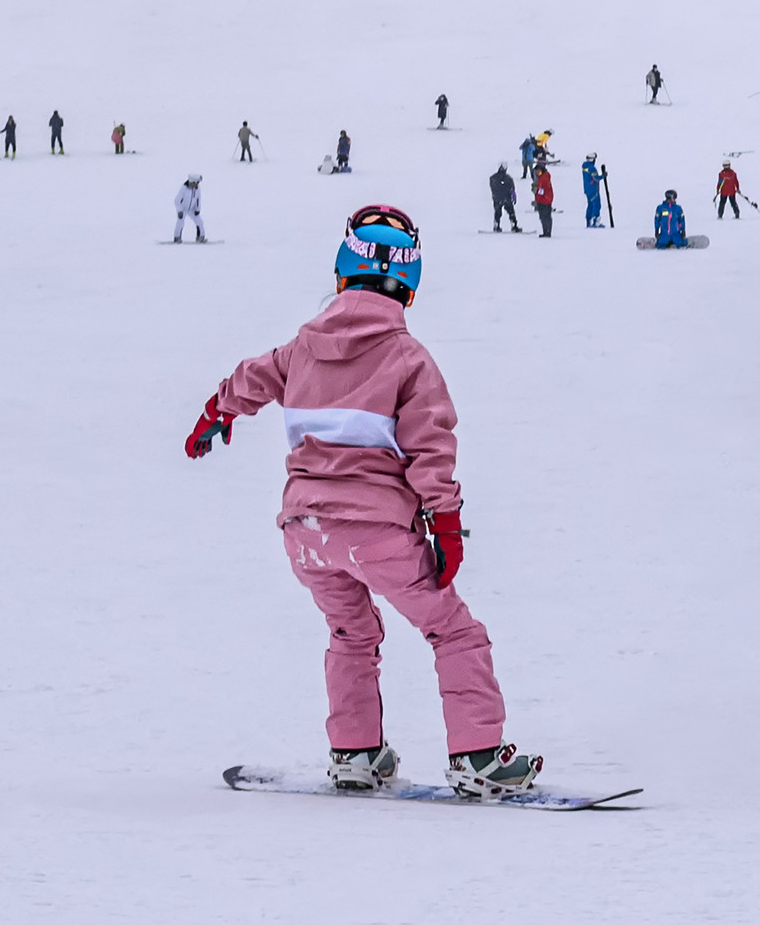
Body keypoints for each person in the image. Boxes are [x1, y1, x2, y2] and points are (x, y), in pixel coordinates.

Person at [182, 204, 543, 797]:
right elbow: (430, 447)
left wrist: (216, 413)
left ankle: (355, 753)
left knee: (351, 632)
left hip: (305, 531)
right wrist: (445, 523)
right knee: (452, 631)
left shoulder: (301, 348)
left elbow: (252, 378)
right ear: (409, 285)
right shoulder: (408, 358)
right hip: (376, 530)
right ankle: (477, 758)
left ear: (341, 274)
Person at [173, 173, 206, 243]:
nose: (197, 184)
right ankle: (177, 238)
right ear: (192, 182)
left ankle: (200, 237)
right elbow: (177, 200)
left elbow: (198, 199)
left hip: (192, 209)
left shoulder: (197, 189)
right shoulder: (184, 189)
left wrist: (197, 209)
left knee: (200, 222)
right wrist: (179, 210)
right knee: (180, 222)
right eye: (196, 183)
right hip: (183, 209)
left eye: (198, 183)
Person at [489, 164, 520, 232]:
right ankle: (514, 226)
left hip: (498, 198)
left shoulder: (493, 178)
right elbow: (512, 189)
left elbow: (492, 187)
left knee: (498, 212)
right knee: (511, 212)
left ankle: (496, 226)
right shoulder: (508, 178)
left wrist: (495, 195)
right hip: (506, 198)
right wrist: (513, 196)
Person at [531, 161, 554, 238]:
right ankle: (548, 231)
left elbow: (541, 192)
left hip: (543, 201)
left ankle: (546, 232)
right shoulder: (545, 177)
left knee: (544, 217)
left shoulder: (542, 179)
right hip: (548, 199)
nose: (537, 173)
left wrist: (537, 201)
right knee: (547, 217)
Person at [581, 153, 604, 228]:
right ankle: (595, 221)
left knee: (590, 205)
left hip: (587, 189)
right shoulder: (592, 168)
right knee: (596, 205)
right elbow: (596, 178)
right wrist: (603, 176)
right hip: (593, 189)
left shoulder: (584, 166)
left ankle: (588, 221)